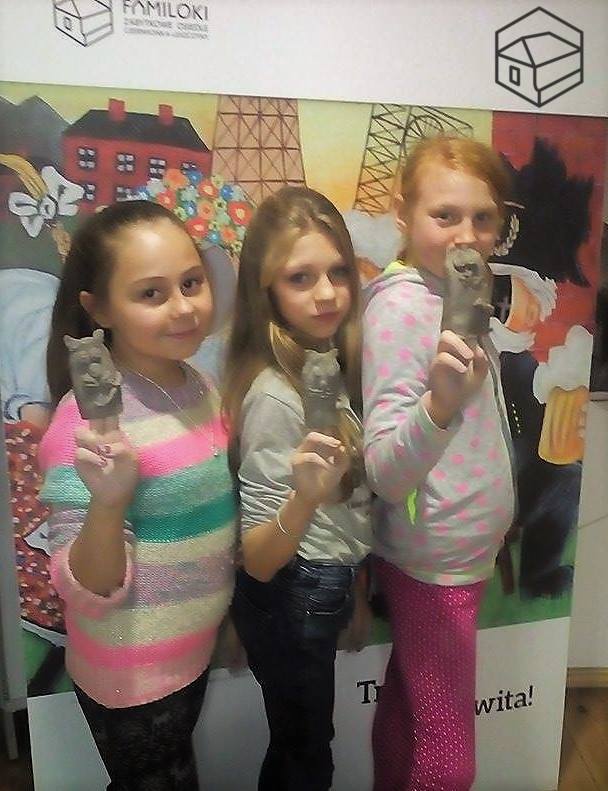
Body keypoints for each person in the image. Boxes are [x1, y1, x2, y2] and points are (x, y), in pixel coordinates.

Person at [38, 200, 238, 791]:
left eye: (191, 283)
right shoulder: (87, 427)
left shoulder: (199, 384)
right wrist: (107, 501)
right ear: (99, 309)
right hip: (131, 674)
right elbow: (88, 588)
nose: (184, 307)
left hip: (191, 653)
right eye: (151, 293)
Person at [363, 136, 516, 791]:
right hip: (436, 559)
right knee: (451, 762)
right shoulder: (403, 308)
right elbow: (385, 471)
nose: (467, 235)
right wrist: (440, 405)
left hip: (456, 549)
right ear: (402, 212)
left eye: (483, 218)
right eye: (445, 215)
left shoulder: (449, 292)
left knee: (409, 705)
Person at [224, 186, 372, 791]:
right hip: (295, 590)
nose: (327, 293)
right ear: (266, 291)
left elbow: (347, 512)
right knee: (306, 756)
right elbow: (259, 560)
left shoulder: (326, 364)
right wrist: (307, 497)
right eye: (300, 278)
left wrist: (352, 592)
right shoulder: (276, 397)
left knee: (301, 747)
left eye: (338, 272)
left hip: (322, 584)